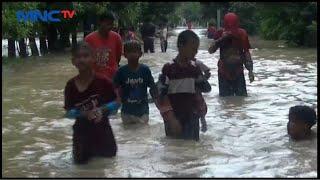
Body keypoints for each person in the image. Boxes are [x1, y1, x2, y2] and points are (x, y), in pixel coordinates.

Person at [64, 42, 120, 164]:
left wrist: (102, 110)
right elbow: (68, 113)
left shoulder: (103, 82)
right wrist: (84, 114)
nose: (82, 59)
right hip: (81, 136)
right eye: (78, 57)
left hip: (103, 134)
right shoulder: (70, 86)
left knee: (109, 165)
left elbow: (117, 103)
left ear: (93, 58)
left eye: (85, 56)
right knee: (81, 170)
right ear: (73, 61)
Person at [159, 30, 211, 141]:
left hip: (192, 117)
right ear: (181, 46)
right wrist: (171, 118)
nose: (195, 52)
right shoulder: (169, 69)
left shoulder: (194, 69)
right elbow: (162, 96)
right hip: (173, 116)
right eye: (193, 49)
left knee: (191, 150)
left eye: (196, 49)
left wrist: (202, 118)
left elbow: (200, 93)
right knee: (174, 150)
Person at [208, 12, 254, 97]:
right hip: (223, 71)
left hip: (238, 71)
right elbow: (210, 50)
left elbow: (246, 52)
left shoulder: (242, 34)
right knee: (225, 99)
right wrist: (222, 39)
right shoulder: (220, 33)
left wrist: (250, 71)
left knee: (241, 99)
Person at [113, 40, 158, 124]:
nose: (132, 54)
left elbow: (153, 87)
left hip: (143, 111)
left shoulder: (145, 70)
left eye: (134, 51)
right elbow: (114, 87)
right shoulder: (121, 71)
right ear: (125, 55)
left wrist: (158, 102)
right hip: (126, 111)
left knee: (142, 132)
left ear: (140, 54)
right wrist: (117, 99)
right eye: (129, 52)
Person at [85, 12, 123, 81]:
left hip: (113, 78)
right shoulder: (89, 39)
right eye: (108, 24)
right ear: (100, 22)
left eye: (112, 24)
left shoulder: (117, 38)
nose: (110, 26)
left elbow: (118, 58)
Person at [191, 58, 211, 132]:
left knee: (200, 109)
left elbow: (207, 72)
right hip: (189, 92)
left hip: (195, 91)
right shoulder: (197, 62)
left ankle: (203, 126)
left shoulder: (197, 63)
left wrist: (202, 80)